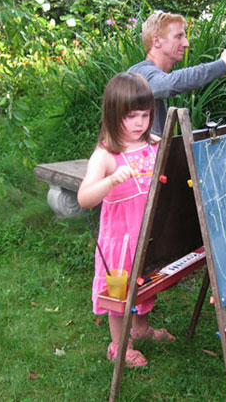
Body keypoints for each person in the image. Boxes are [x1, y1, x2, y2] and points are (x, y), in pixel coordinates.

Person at [77, 72, 175, 368]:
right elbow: (84, 198)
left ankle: (141, 329)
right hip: (118, 242)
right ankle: (119, 345)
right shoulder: (106, 156)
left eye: (145, 115)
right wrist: (109, 182)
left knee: (147, 283)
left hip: (147, 235)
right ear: (113, 114)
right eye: (131, 116)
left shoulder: (152, 144)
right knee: (119, 295)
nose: (139, 123)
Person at [128, 11, 226, 136]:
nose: (186, 44)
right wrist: (221, 64)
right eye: (178, 37)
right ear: (156, 41)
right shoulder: (139, 75)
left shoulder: (152, 75)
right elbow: (170, 84)